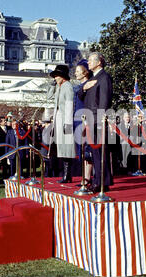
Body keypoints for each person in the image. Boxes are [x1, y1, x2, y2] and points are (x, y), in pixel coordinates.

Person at [78, 52, 113, 192]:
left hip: (97, 120)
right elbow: (80, 96)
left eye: (91, 60)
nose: (89, 63)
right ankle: (99, 180)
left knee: (100, 153)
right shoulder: (93, 78)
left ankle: (101, 182)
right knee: (95, 153)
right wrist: (84, 88)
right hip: (90, 118)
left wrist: (99, 119)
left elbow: (104, 101)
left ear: (99, 62)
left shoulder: (104, 78)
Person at [48, 64, 76, 183]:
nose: (55, 78)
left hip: (65, 120)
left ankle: (67, 175)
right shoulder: (59, 87)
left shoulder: (68, 86)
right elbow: (49, 96)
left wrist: (68, 124)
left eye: (56, 76)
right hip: (58, 119)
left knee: (66, 148)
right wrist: (51, 86)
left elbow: (70, 105)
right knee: (61, 148)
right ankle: (66, 175)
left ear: (62, 76)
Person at [74, 60, 94, 184]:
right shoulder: (79, 86)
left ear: (85, 72)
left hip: (85, 120)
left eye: (77, 71)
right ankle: (84, 177)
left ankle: (87, 178)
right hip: (78, 120)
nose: (75, 73)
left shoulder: (89, 85)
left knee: (87, 150)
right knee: (81, 151)